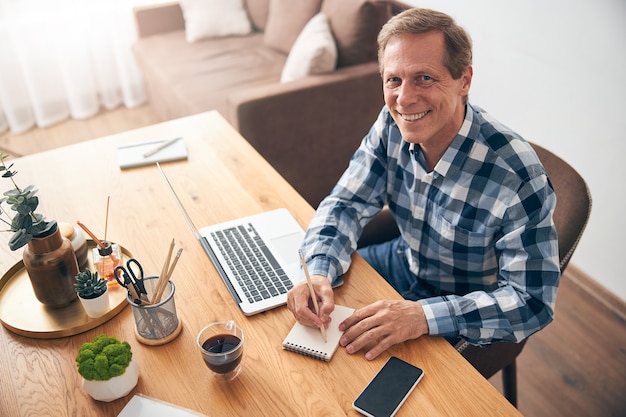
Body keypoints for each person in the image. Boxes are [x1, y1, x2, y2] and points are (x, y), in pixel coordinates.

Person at [286, 7, 560, 361]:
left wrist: (422, 315)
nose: (404, 99)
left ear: (465, 81)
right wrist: (320, 271)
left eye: (424, 78)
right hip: (403, 262)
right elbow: (347, 203)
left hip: (464, 307)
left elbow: (532, 301)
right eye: (393, 80)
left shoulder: (518, 176)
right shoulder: (390, 123)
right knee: (304, 335)